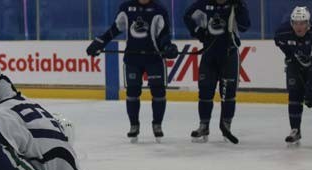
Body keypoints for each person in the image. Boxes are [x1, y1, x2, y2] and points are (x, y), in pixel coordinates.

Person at [86, 0, 178, 142]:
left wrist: (167, 47)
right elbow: (115, 29)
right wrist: (100, 42)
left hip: (154, 58)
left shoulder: (159, 9)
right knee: (132, 92)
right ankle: (134, 125)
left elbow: (164, 34)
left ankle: (157, 124)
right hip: (132, 59)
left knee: (158, 91)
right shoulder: (126, 8)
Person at [184, 0, 251, 144]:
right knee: (205, 90)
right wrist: (198, 32)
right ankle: (204, 126)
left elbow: (245, 26)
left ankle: (226, 126)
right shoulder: (203, 4)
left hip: (229, 56)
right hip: (209, 56)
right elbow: (187, 16)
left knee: (228, 94)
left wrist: (240, 8)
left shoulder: (235, 4)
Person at [274, 6, 312, 146]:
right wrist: (290, 56)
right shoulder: (283, 33)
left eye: (302, 23)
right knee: (294, 95)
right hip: (295, 66)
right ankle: (295, 130)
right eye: (295, 23)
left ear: (308, 23)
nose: (298, 27)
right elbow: (279, 42)